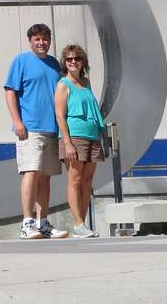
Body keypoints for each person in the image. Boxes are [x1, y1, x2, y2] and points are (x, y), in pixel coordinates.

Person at [4, 24, 68, 239]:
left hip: (52, 128)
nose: (42, 42)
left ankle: (43, 223)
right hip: (30, 128)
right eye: (37, 39)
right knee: (30, 172)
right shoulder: (20, 61)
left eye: (45, 39)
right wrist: (17, 121)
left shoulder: (54, 64)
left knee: (45, 177)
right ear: (30, 41)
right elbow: (10, 91)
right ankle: (26, 223)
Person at [55, 44, 106, 238]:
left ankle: (81, 225)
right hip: (74, 137)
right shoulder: (63, 85)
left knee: (87, 181)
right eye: (69, 59)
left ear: (82, 61)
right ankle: (78, 223)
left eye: (76, 58)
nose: (73, 62)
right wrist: (67, 143)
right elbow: (60, 116)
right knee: (75, 180)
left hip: (92, 136)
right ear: (64, 63)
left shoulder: (86, 83)